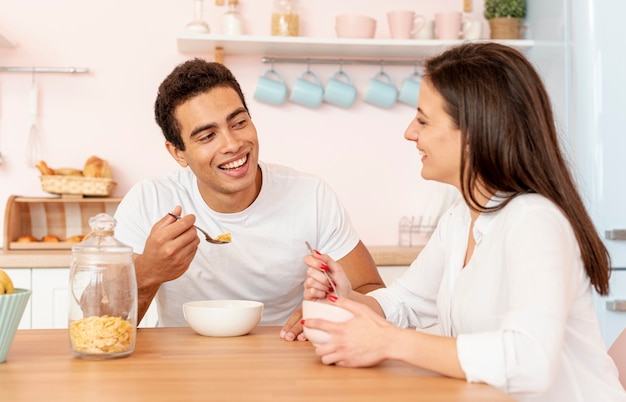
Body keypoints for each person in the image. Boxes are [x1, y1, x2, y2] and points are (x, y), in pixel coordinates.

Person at [302, 43, 626, 401]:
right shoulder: (460, 220)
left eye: (423, 120)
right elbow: (405, 303)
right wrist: (349, 297)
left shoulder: (535, 221)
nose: (410, 132)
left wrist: (390, 343)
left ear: (473, 133)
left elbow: (530, 361)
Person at [113, 58, 384, 340]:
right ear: (178, 153)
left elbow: (373, 292)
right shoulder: (149, 200)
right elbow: (97, 322)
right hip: (180, 364)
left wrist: (334, 309)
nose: (232, 144)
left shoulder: (310, 196)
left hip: (285, 359)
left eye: (239, 122)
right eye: (207, 136)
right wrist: (147, 272)